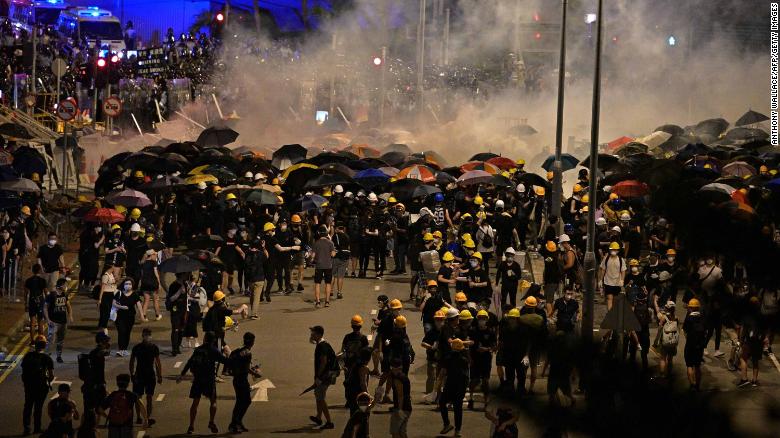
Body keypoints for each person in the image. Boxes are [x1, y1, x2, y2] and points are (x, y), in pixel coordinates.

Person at [177, 331, 231, 434]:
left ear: (205, 338)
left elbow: (190, 362)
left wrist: (182, 374)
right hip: (209, 379)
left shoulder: (198, 350)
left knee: (195, 403)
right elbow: (226, 361)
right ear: (214, 340)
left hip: (198, 379)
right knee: (213, 401)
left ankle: (191, 425)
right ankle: (211, 421)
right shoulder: (214, 350)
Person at [228, 332, 262, 433]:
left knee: (240, 401)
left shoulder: (237, 351)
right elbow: (246, 368)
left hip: (236, 379)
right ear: (252, 342)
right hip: (242, 380)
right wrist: (255, 373)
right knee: (245, 401)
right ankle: (235, 423)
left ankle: (237, 422)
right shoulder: (247, 353)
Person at [22, 335, 54, 435]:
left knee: (28, 406)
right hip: (41, 386)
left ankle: (27, 427)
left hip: (29, 386)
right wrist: (48, 380)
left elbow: (23, 370)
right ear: (44, 346)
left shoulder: (27, 356)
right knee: (38, 407)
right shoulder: (47, 358)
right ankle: (37, 427)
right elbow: (51, 375)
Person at [129, 328, 161, 426]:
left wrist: (159, 375)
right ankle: (139, 417)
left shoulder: (154, 348)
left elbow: (157, 362)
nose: (147, 336)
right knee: (138, 398)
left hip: (149, 375)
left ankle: (147, 417)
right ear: (142, 336)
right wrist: (132, 374)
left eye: (148, 334)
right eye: (145, 334)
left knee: (149, 397)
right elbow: (132, 361)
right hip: (140, 375)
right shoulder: (137, 348)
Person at [100, 374, 148, 438]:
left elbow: (99, 409)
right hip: (127, 426)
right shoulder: (131, 395)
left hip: (113, 426)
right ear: (128, 384)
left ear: (117, 384)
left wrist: (108, 417)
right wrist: (145, 419)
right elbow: (141, 404)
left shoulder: (112, 395)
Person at [439, 338, 469, 437]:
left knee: (442, 402)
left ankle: (447, 424)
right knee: (458, 408)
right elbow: (466, 375)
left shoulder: (448, 358)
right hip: (460, 386)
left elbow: (443, 372)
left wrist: (438, 384)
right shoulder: (464, 359)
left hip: (450, 384)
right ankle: (458, 430)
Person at [309, 325, 337, 430]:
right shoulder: (322, 345)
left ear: (319, 334)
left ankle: (329, 422)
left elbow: (323, 362)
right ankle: (318, 417)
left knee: (321, 398)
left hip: (324, 377)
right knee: (318, 396)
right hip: (325, 376)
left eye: (313, 333)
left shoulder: (322, 346)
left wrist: (318, 377)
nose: (311, 335)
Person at [340, 315, 369, 414]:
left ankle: (349, 400)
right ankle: (360, 400)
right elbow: (366, 352)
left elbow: (343, 350)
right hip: (360, 364)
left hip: (348, 364)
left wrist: (342, 363)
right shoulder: (363, 338)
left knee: (348, 382)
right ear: (360, 326)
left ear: (352, 326)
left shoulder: (347, 337)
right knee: (361, 383)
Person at [468, 309, 496, 409]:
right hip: (475, 359)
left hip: (486, 359)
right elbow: (469, 345)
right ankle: (471, 398)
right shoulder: (473, 331)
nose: (481, 320)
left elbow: (494, 346)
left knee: (485, 381)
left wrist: (487, 349)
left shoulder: (490, 332)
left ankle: (486, 401)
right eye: (480, 318)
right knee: (474, 380)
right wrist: (470, 358)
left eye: (483, 319)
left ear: (487, 320)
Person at [737, 297, 767, 387]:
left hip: (748, 341)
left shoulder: (746, 315)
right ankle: (754, 380)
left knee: (743, 358)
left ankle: (744, 379)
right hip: (758, 341)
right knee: (755, 360)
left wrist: (740, 340)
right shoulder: (761, 315)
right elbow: (765, 329)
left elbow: (742, 329)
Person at [44, 278, 73, 363]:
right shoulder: (51, 296)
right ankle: (46, 357)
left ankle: (59, 356)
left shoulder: (64, 294)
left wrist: (70, 315)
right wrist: (48, 320)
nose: (66, 286)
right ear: (60, 286)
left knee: (61, 340)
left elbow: (68, 306)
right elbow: (45, 308)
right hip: (54, 322)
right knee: (51, 341)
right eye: (65, 285)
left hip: (63, 322)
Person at [113, 278, 144, 356]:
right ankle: (121, 349)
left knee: (127, 333)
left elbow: (139, 305)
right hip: (119, 317)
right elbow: (113, 303)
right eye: (126, 284)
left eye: (130, 284)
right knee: (121, 331)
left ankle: (125, 349)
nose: (128, 285)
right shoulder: (119, 293)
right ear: (123, 285)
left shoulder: (135, 294)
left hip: (130, 317)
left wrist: (142, 315)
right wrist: (121, 307)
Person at [81, 333, 110, 417]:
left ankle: (89, 424)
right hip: (96, 385)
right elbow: (103, 353)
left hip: (91, 384)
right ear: (101, 342)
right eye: (106, 341)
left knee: (90, 408)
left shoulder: (94, 352)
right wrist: (107, 349)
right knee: (98, 407)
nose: (107, 343)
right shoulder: (96, 352)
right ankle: (111, 420)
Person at [683, 298, 706, 391]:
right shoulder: (702, 318)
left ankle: (692, 384)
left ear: (690, 308)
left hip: (690, 345)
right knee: (697, 366)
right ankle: (698, 385)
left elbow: (685, 331)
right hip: (699, 346)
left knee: (689, 365)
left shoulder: (688, 318)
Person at [422, 310, 446, 397]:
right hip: (432, 358)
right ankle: (429, 395)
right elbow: (423, 343)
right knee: (431, 377)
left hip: (443, 359)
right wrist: (431, 347)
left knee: (441, 378)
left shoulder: (446, 332)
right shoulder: (431, 332)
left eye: (441, 320)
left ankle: (439, 396)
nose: (439, 322)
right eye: (437, 320)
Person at [311, 225, 336, 308]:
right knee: (328, 283)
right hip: (328, 265)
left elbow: (312, 256)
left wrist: (311, 258)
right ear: (326, 233)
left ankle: (318, 302)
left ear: (318, 233)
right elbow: (333, 254)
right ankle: (327, 302)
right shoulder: (330, 243)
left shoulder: (316, 243)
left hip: (319, 266)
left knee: (317, 283)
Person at [388, 358, 412, 438]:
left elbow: (400, 395)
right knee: (402, 432)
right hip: (408, 407)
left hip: (401, 408)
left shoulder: (398, 379)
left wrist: (399, 409)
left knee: (395, 432)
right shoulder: (404, 377)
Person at [599, 242, 627, 310]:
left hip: (617, 283)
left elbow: (623, 271)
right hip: (608, 282)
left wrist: (622, 280)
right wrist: (600, 280)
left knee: (615, 299)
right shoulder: (606, 258)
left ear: (618, 250)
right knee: (609, 298)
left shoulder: (621, 260)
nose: (613, 251)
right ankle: (610, 315)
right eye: (612, 249)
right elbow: (603, 269)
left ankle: (614, 314)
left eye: (615, 249)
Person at [24, 264, 48, 341]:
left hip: (32, 301)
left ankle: (32, 341)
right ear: (39, 270)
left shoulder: (28, 280)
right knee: (40, 321)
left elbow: (26, 293)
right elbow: (46, 292)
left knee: (32, 322)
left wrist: (26, 304)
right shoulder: (42, 280)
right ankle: (41, 340)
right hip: (40, 301)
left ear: (32, 270)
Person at [245, 237, 268, 319]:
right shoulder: (261, 254)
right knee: (257, 296)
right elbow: (267, 258)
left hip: (250, 278)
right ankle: (253, 314)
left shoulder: (247, 253)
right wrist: (264, 247)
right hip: (259, 277)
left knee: (252, 296)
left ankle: (253, 311)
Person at [656, 301, 679, 379]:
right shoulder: (676, 317)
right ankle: (669, 373)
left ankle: (662, 374)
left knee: (663, 358)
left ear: (666, 308)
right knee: (670, 358)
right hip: (673, 341)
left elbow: (660, 328)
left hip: (665, 341)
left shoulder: (664, 317)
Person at [138, 250, 162, 321]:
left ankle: (143, 316)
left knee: (146, 300)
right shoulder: (153, 262)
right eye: (155, 255)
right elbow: (156, 274)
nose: (156, 256)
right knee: (155, 300)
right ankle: (157, 315)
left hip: (145, 283)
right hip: (153, 283)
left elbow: (141, 274)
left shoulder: (142, 263)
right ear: (151, 255)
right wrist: (159, 283)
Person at [98, 266, 119, 334]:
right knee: (105, 312)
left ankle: (101, 325)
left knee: (108, 311)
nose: (114, 267)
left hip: (111, 295)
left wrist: (116, 278)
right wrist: (100, 299)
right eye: (113, 266)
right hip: (105, 295)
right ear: (110, 267)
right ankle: (104, 327)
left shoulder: (111, 275)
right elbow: (102, 287)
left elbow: (114, 284)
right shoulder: (105, 276)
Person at [332, 223, 351, 299]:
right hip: (345, 258)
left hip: (336, 257)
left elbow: (332, 246)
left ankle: (330, 291)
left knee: (332, 275)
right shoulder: (347, 236)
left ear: (337, 228)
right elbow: (348, 247)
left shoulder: (335, 235)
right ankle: (339, 293)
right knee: (340, 277)